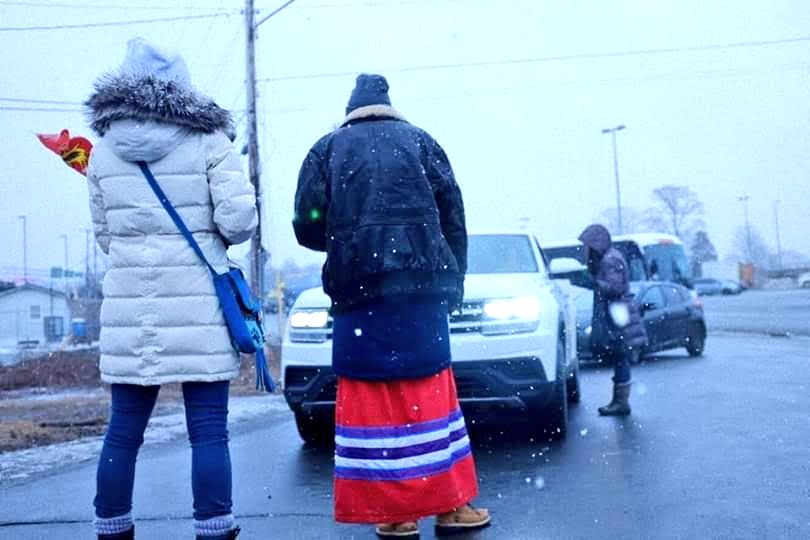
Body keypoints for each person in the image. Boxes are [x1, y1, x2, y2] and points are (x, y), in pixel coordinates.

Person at [293, 74, 491, 538]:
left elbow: (306, 222)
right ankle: (451, 506)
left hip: (357, 294)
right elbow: (453, 217)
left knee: (372, 403)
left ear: (351, 110)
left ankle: (393, 513)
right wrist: (454, 280)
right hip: (422, 292)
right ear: (388, 105)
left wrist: (345, 237)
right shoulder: (422, 143)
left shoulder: (326, 150)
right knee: (432, 397)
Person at [85, 38, 256, 540]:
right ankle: (214, 526)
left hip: (129, 312)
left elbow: (105, 236)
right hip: (199, 306)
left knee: (123, 431)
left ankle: (112, 526)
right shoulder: (209, 142)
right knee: (208, 431)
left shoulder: (102, 152)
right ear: (182, 87)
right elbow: (239, 222)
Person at [578, 224, 647, 416]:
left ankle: (620, 402)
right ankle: (619, 401)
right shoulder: (611, 257)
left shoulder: (609, 260)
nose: (585, 250)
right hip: (618, 311)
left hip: (618, 312)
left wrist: (593, 282)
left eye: (587, 245)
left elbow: (615, 288)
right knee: (620, 356)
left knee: (620, 356)